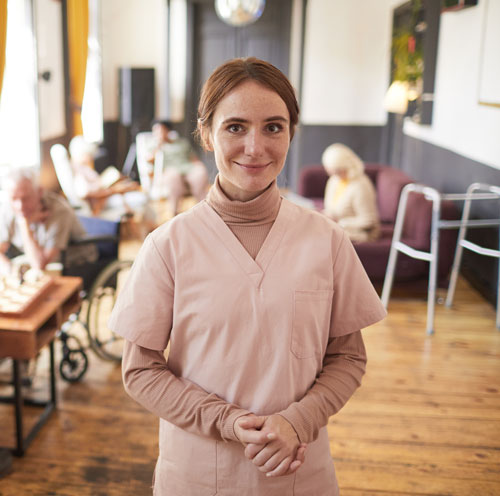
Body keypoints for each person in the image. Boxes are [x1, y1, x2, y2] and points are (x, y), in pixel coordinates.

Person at [108, 57, 386, 495]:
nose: (255, 147)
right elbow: (140, 370)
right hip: (197, 473)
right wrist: (227, 421)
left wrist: (299, 419)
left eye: (273, 127)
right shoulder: (168, 246)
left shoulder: (327, 241)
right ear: (206, 133)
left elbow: (348, 357)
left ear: (291, 133)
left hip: (299, 472)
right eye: (235, 127)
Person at [0, 167, 97, 275]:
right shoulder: (8, 208)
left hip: (75, 264)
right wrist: (9, 270)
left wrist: (24, 223)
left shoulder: (59, 211)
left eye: (25, 198)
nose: (20, 206)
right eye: (14, 198)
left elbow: (39, 264)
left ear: (40, 192)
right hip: (40, 262)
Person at [69, 135, 146, 217]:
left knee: (133, 192)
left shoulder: (82, 166)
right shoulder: (76, 170)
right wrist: (113, 190)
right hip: (101, 202)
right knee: (141, 199)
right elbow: (84, 192)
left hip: (106, 195)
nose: (90, 158)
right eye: (88, 155)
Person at [147, 120, 209, 215]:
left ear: (168, 130)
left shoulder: (181, 142)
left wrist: (198, 164)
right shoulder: (154, 146)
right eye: (155, 131)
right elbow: (149, 161)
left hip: (187, 167)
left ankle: (202, 208)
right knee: (173, 176)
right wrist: (159, 146)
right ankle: (174, 211)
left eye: (161, 130)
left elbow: (193, 158)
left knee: (199, 171)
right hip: (170, 170)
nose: (158, 133)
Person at [321, 143, 380, 242]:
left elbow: (369, 221)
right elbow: (330, 210)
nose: (333, 174)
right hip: (336, 228)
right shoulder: (334, 180)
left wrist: (341, 223)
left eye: (337, 171)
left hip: (359, 233)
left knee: (323, 238)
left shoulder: (360, 186)